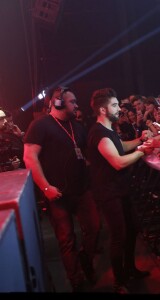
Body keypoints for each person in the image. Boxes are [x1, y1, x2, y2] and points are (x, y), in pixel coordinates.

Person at [23, 86, 100, 292]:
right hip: (57, 193)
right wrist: (45, 187)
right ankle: (76, 280)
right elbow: (29, 157)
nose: (76, 104)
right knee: (66, 239)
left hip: (82, 189)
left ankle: (85, 258)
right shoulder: (40, 125)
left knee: (94, 228)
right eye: (72, 101)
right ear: (57, 102)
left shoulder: (77, 126)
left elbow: (85, 154)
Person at [87, 88, 151, 294]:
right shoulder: (99, 134)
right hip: (109, 193)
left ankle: (130, 269)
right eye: (114, 105)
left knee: (132, 230)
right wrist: (142, 152)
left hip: (120, 190)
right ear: (103, 109)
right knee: (118, 236)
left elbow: (120, 147)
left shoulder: (108, 130)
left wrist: (139, 140)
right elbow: (118, 162)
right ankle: (119, 281)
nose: (118, 108)